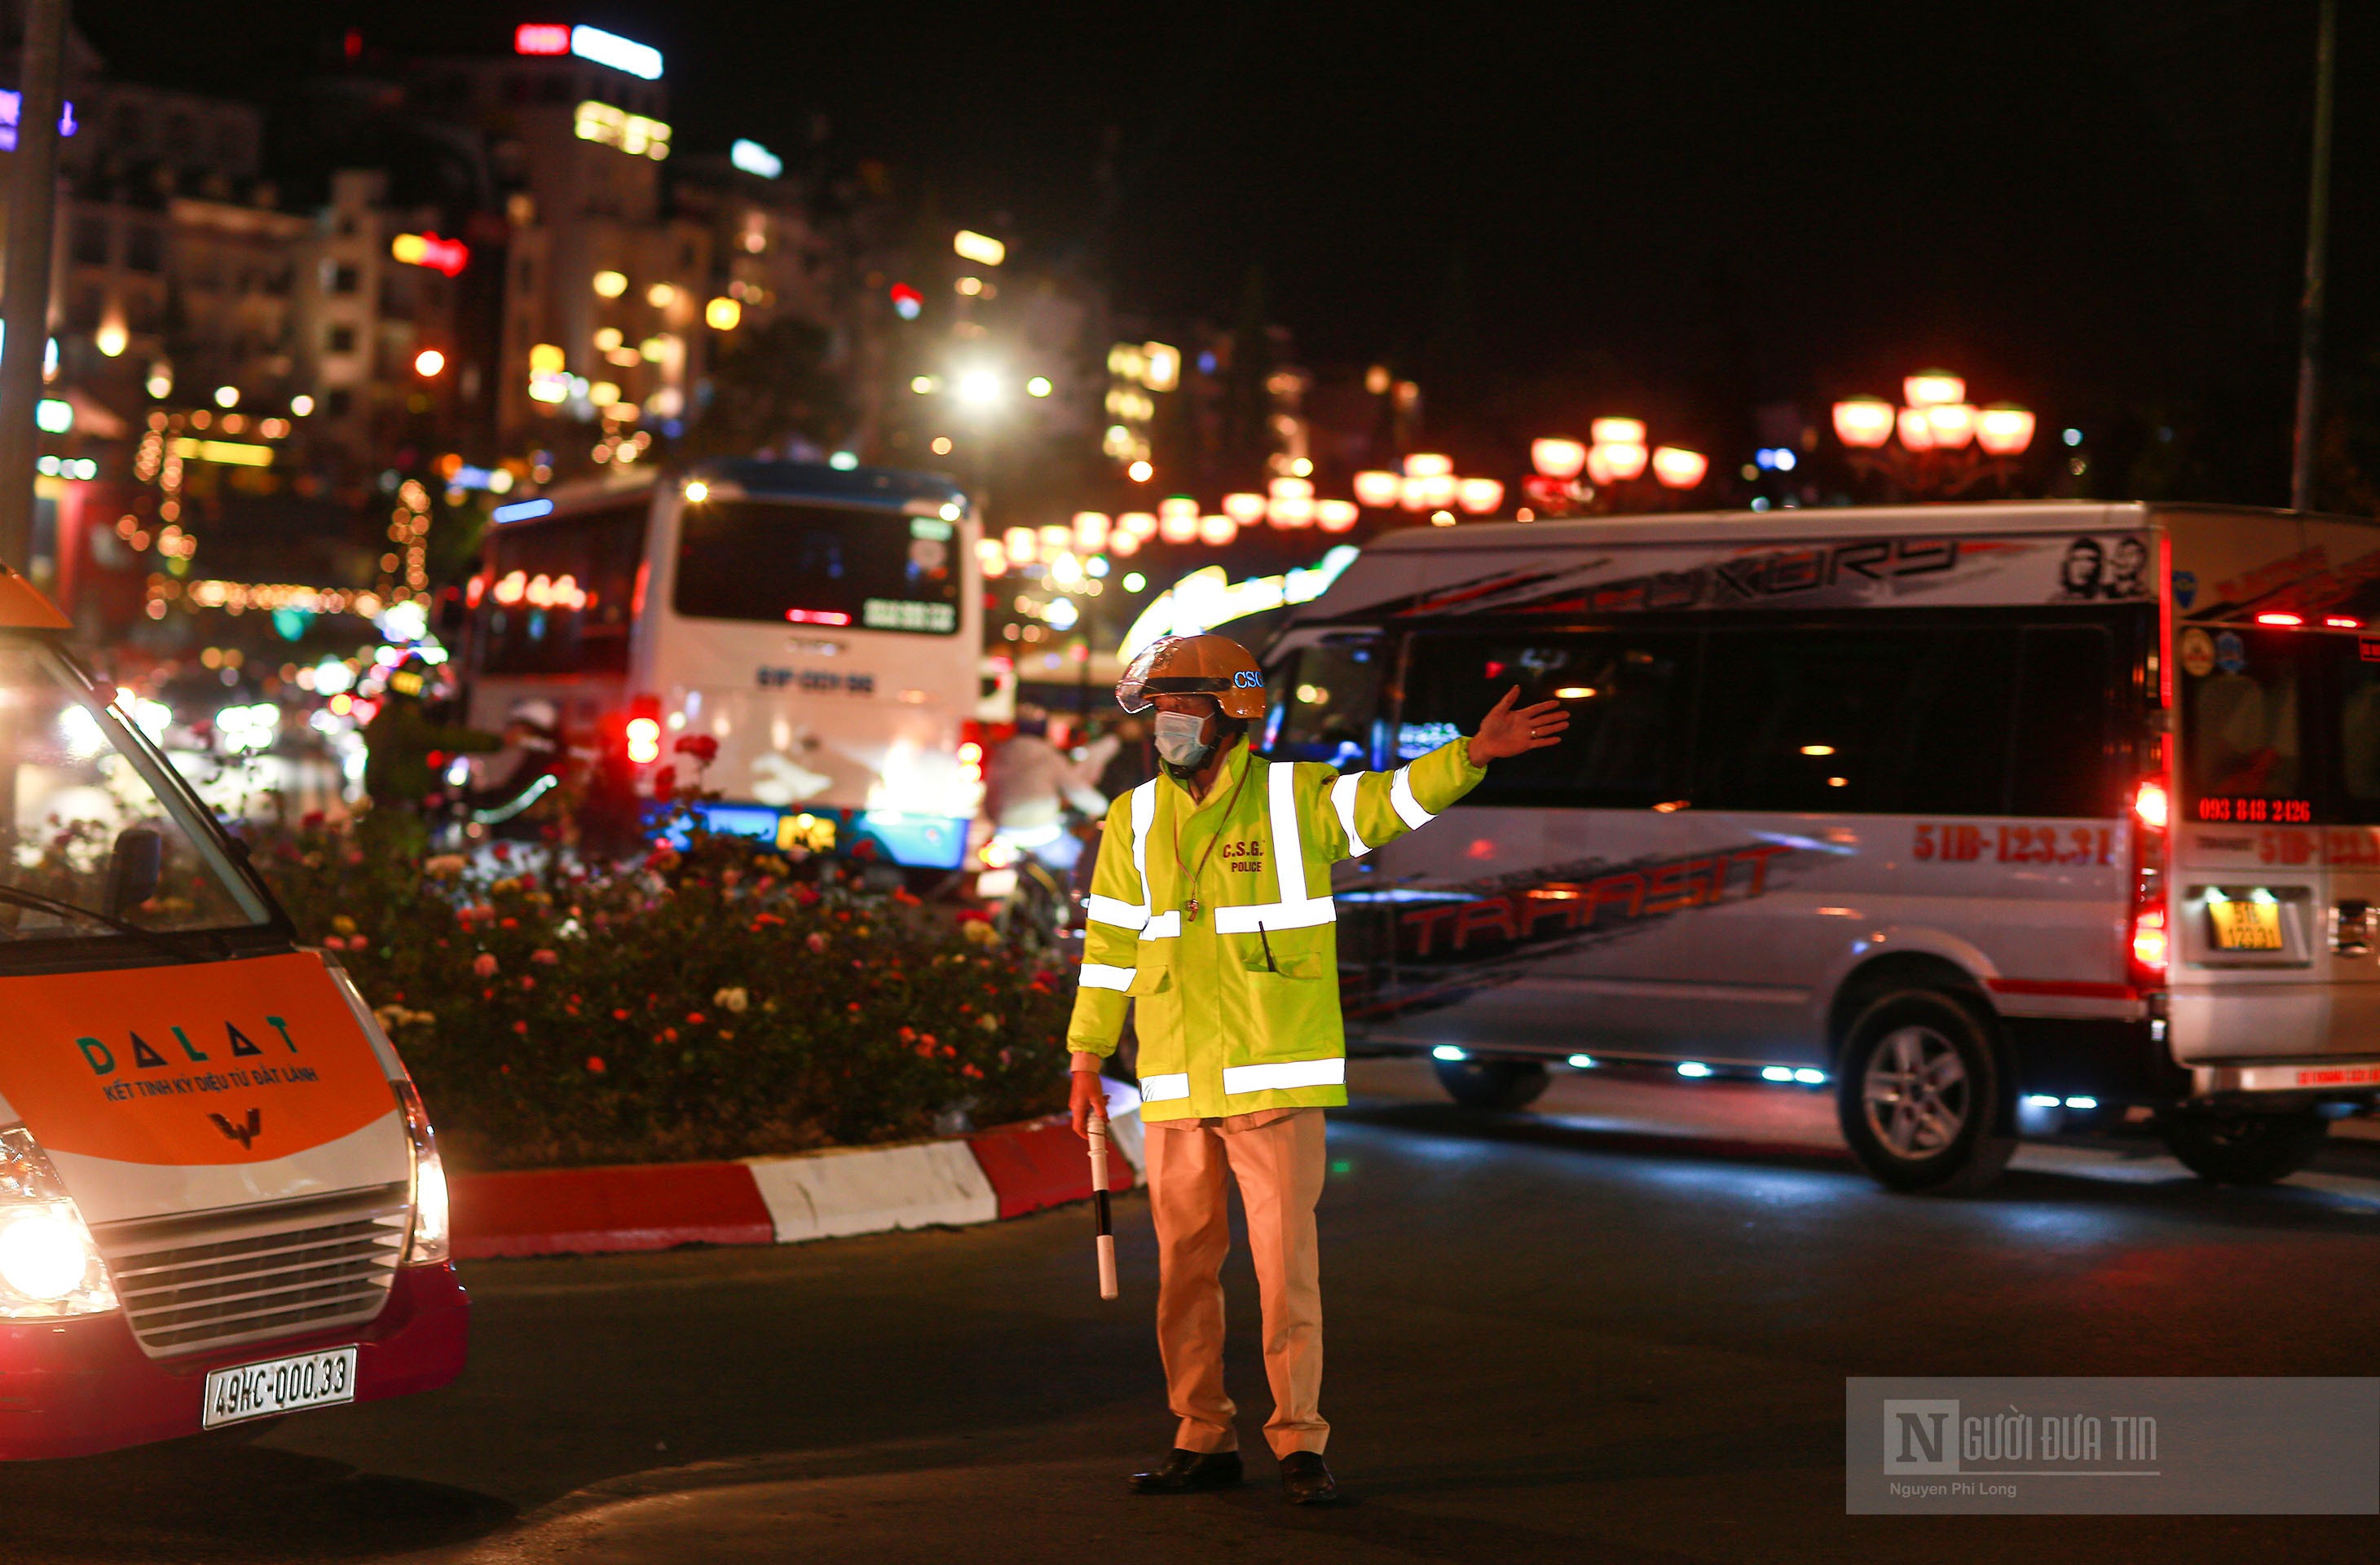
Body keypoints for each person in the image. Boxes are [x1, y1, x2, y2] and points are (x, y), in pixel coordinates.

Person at [1064, 633, 1567, 1505]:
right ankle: (1202, 1435)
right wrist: (1085, 1057)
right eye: (1159, 711)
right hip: (1178, 1079)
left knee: (1282, 1270)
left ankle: (1299, 1441)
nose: (1165, 727)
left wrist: (1471, 756)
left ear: (1232, 713)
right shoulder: (1133, 817)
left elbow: (1388, 803)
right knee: (1184, 1268)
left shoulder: (1296, 798)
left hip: (1273, 1076)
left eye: (1183, 709)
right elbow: (1108, 948)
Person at [361, 655, 500, 814]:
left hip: (385, 807)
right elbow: (445, 738)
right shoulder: (405, 722)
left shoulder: (385, 718)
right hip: (398, 812)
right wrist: (498, 741)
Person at [985, 703, 1108, 871]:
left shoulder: (1000, 753)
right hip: (1044, 833)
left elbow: (989, 795)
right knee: (1085, 862)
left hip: (1004, 834)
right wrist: (1101, 806)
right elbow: (1077, 790)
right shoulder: (1048, 756)